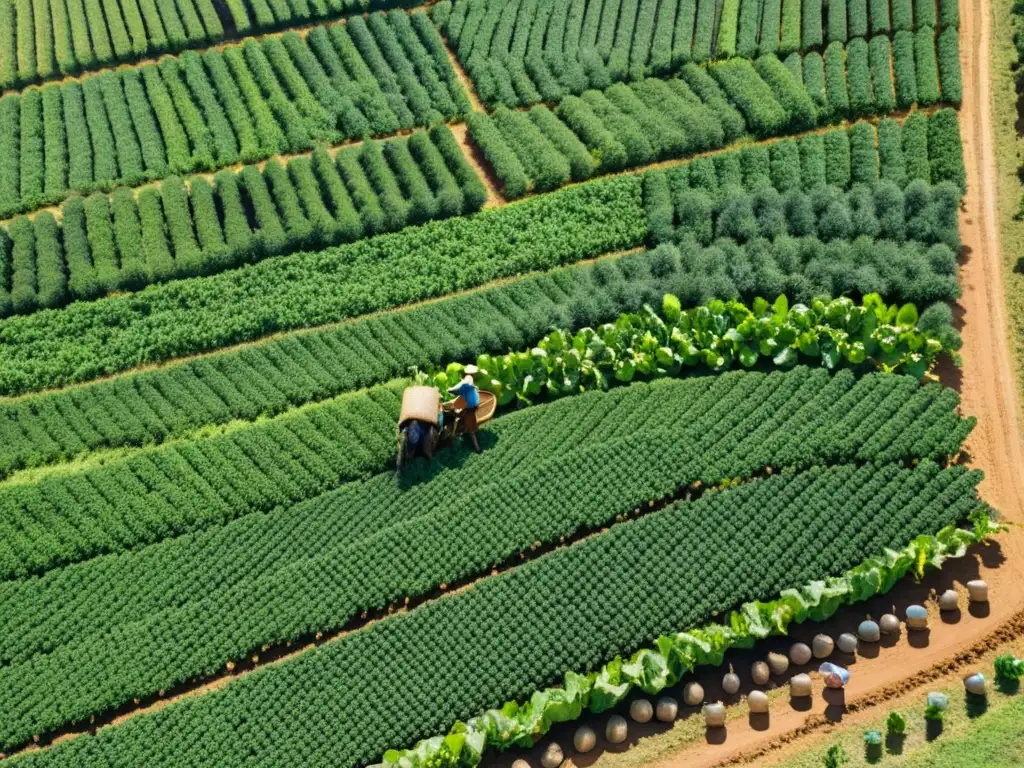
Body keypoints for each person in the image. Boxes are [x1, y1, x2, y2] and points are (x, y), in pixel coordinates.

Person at [447, 365, 481, 451]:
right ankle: (476, 446)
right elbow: (464, 384)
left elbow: (465, 385)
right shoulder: (468, 379)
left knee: (469, 426)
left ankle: (476, 446)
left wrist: (452, 389)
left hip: (470, 407)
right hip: (470, 406)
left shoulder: (469, 380)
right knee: (471, 428)